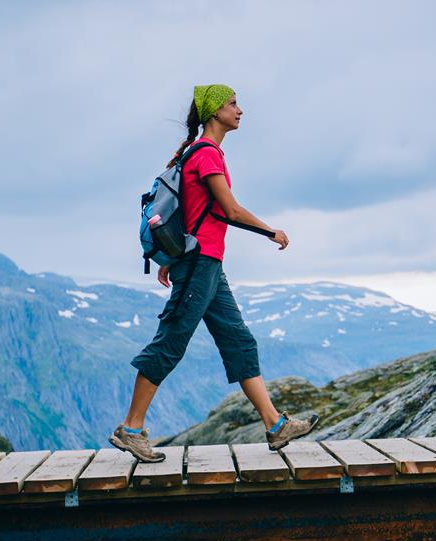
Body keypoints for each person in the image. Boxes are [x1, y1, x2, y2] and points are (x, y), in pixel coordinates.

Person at [111, 84, 317, 463]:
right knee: (170, 342)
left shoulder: (200, 153)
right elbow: (229, 210)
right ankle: (131, 429)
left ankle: (275, 426)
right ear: (214, 112)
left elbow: (194, 211)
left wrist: (172, 260)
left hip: (206, 264)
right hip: (200, 264)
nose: (240, 110)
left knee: (239, 342)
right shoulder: (206, 155)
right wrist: (271, 231)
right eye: (233, 104)